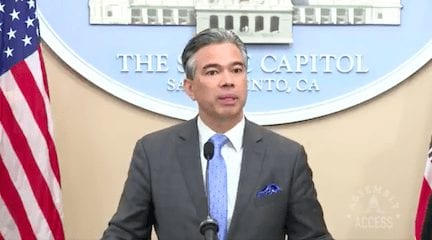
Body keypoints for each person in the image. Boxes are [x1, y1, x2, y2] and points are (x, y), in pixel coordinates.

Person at [102, 28, 333, 240]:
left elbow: (312, 237)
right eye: (213, 72)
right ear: (190, 88)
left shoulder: (286, 157)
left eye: (236, 70)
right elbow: (125, 233)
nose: (228, 81)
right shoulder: (153, 153)